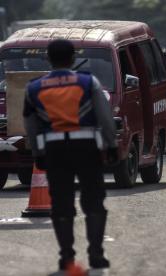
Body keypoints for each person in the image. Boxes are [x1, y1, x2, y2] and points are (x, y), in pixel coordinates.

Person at [23, 39, 117, 270]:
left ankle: (66, 256)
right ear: (73, 58)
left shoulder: (34, 87)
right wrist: (111, 144)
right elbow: (105, 116)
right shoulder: (88, 82)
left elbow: (30, 123)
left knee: (61, 203)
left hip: (55, 151)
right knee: (94, 200)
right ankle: (96, 253)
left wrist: (37, 152)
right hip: (86, 148)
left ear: (48, 59)